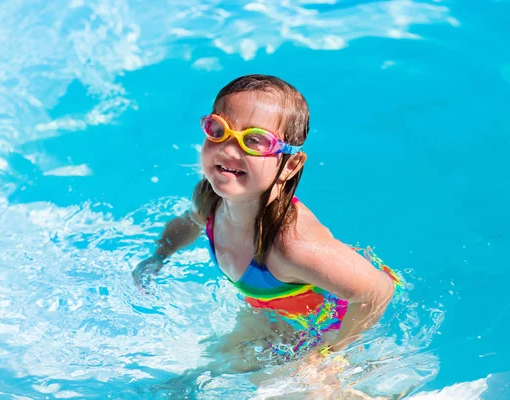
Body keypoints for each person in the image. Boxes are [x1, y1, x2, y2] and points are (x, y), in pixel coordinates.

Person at [132, 74, 401, 379]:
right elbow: (187, 223)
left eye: (254, 140)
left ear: (290, 165)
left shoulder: (292, 246)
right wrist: (159, 257)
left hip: (337, 318)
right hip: (276, 309)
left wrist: (331, 353)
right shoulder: (208, 200)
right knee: (203, 374)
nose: (229, 150)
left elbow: (377, 290)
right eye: (218, 130)